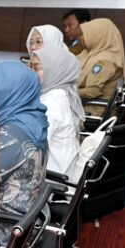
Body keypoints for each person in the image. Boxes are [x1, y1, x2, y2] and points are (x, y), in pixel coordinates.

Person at [0, 62, 49, 247]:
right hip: (27, 219)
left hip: (7, 229)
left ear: (10, 93)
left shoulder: (11, 139)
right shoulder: (30, 120)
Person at [31, 45, 84, 178]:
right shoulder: (60, 92)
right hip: (60, 171)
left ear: (54, 70)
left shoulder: (51, 104)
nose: (30, 73)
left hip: (52, 182)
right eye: (30, 66)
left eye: (36, 68)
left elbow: (31, 149)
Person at [76, 18, 125, 118]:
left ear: (98, 36)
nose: (80, 38)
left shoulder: (104, 61)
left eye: (84, 35)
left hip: (95, 110)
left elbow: (92, 92)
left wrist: (67, 91)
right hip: (88, 104)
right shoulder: (94, 52)